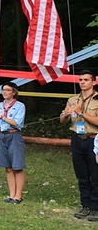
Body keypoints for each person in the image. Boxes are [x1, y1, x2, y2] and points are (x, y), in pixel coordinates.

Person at [61, 70, 98, 220]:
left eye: (86, 80)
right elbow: (63, 121)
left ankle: (96, 207)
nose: (82, 82)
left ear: (94, 82)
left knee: (95, 175)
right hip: (77, 139)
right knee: (81, 175)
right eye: (80, 80)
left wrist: (81, 112)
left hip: (93, 139)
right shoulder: (73, 99)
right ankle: (86, 206)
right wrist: (65, 114)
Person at [0, 81, 26, 204]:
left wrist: (1, 117)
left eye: (8, 90)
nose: (5, 92)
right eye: (3, 90)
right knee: (8, 167)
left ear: (14, 92)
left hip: (14, 134)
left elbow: (17, 123)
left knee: (17, 167)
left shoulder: (20, 106)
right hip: (2, 135)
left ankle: (18, 196)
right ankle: (11, 194)